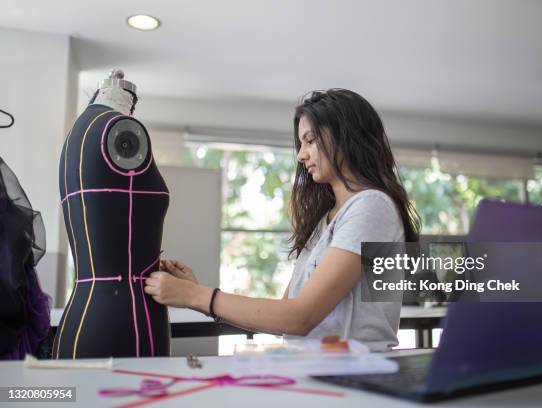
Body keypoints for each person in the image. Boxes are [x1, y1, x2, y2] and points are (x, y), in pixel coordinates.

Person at [144, 89, 420, 351]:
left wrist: (196, 296)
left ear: (346, 136)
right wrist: (196, 295)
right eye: (301, 144)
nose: (301, 155)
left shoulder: (372, 206)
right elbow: (284, 313)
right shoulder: (328, 219)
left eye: (310, 140)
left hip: (355, 378)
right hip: (322, 371)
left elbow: (300, 317)